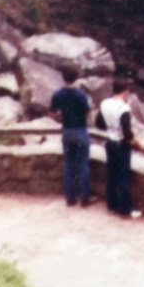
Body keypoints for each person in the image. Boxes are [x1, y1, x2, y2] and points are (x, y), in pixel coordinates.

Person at [48, 66, 93, 206]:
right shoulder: (81, 94)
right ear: (76, 77)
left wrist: (61, 116)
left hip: (67, 131)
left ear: (63, 77)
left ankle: (70, 198)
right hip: (80, 130)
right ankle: (85, 198)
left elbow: (52, 113)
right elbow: (89, 114)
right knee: (83, 164)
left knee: (68, 164)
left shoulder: (58, 94)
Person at [98, 74, 141, 218]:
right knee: (124, 177)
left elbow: (99, 123)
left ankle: (112, 205)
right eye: (127, 91)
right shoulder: (124, 108)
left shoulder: (104, 103)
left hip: (110, 142)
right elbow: (127, 132)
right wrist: (139, 143)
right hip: (121, 145)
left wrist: (111, 127)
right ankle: (125, 210)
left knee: (111, 175)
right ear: (124, 91)